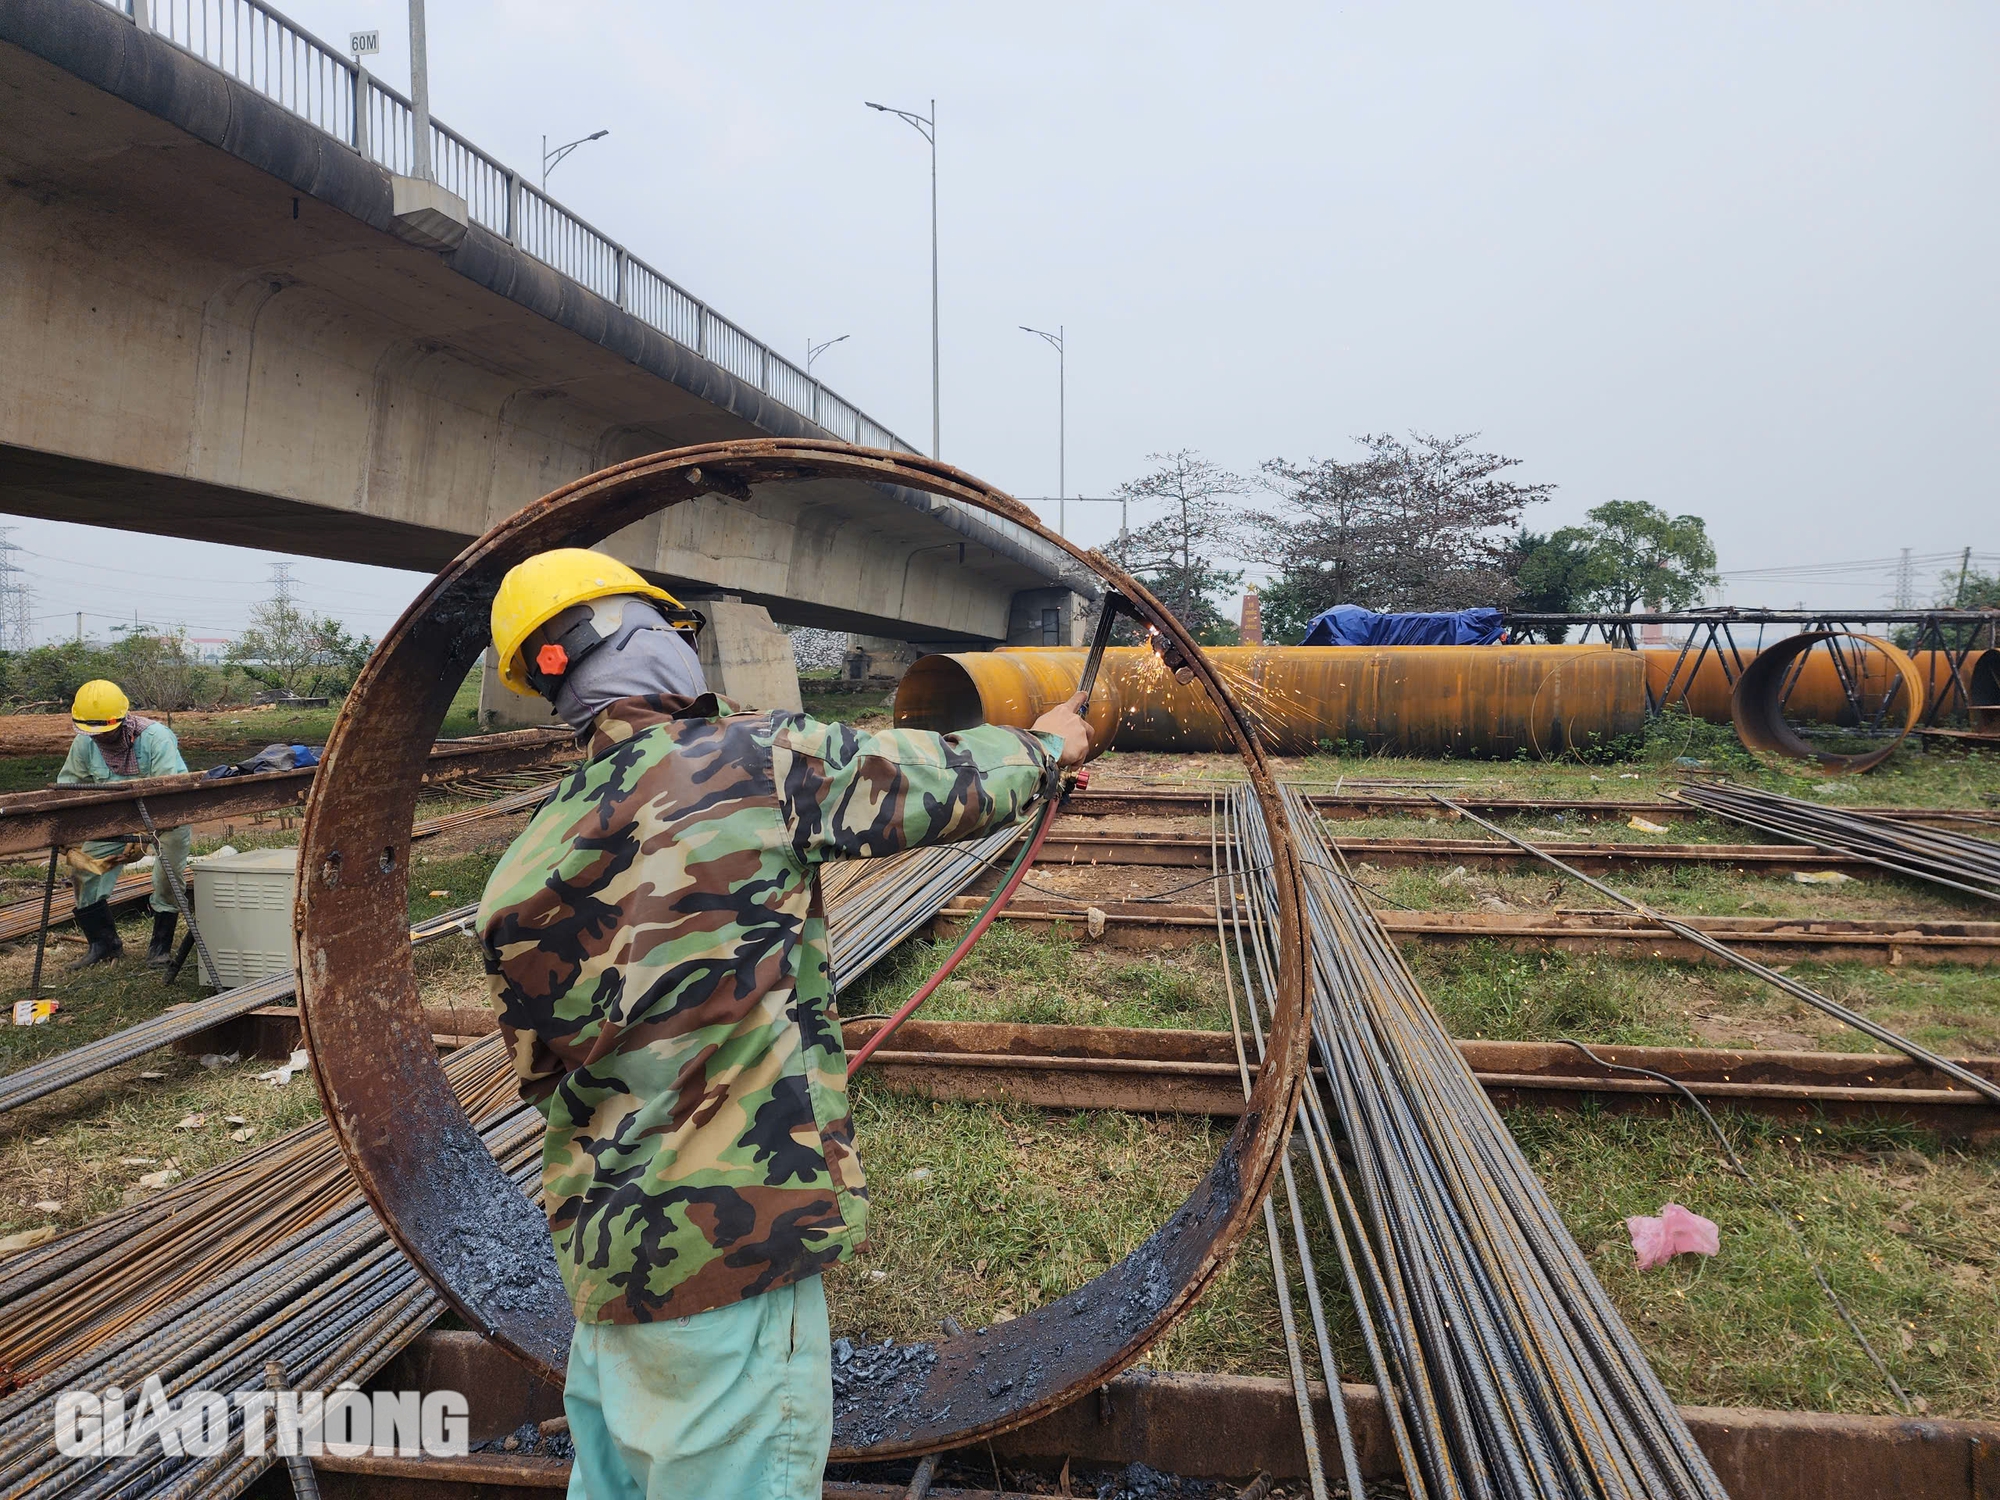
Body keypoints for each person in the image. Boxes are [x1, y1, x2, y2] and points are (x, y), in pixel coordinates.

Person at [474, 550, 1095, 1500]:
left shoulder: (519, 869)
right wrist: (1048, 747)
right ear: (644, 643)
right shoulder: (749, 760)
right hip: (733, 1259)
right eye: (678, 635)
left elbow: (543, 1077)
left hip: (609, 1273)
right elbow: (930, 778)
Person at [57, 680, 194, 970]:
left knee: (167, 878)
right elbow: (70, 788)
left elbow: (170, 793)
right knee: (84, 871)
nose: (99, 738)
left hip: (166, 820)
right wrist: (70, 836)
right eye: (91, 732)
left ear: (121, 720)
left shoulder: (155, 738)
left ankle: (159, 948)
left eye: (104, 731)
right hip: (112, 822)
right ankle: (103, 944)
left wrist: (145, 836)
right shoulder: (85, 742)